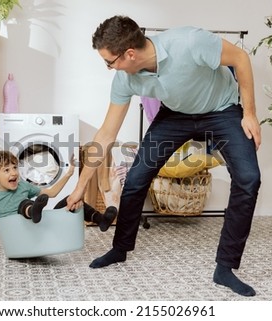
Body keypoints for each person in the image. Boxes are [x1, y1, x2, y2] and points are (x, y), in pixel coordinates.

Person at [66, 16, 261, 297]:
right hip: (176, 116)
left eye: (110, 62)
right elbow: (106, 134)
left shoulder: (190, 42)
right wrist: (80, 187)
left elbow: (240, 58)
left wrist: (250, 113)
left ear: (129, 54)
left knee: (249, 178)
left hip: (221, 109)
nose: (110, 69)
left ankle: (225, 267)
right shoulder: (126, 79)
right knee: (135, 178)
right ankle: (120, 248)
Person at [0, 150, 117, 259]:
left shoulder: (23, 186)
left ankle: (101, 220)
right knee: (24, 204)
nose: (14, 173)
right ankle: (32, 210)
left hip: (39, 227)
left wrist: (69, 173)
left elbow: (51, 193)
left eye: (14, 168)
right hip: (20, 240)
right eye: (6, 170)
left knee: (72, 200)